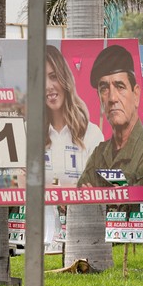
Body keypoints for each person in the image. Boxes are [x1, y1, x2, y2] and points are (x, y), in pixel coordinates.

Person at [77, 44, 143, 189]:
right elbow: (80, 201)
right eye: (104, 88)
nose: (112, 98)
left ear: (136, 94)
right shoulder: (99, 154)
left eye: (120, 86)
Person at [45, 44, 103, 186]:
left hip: (81, 209)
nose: (48, 86)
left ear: (64, 79)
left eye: (53, 76)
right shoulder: (27, 133)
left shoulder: (92, 133)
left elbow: (105, 184)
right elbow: (20, 185)